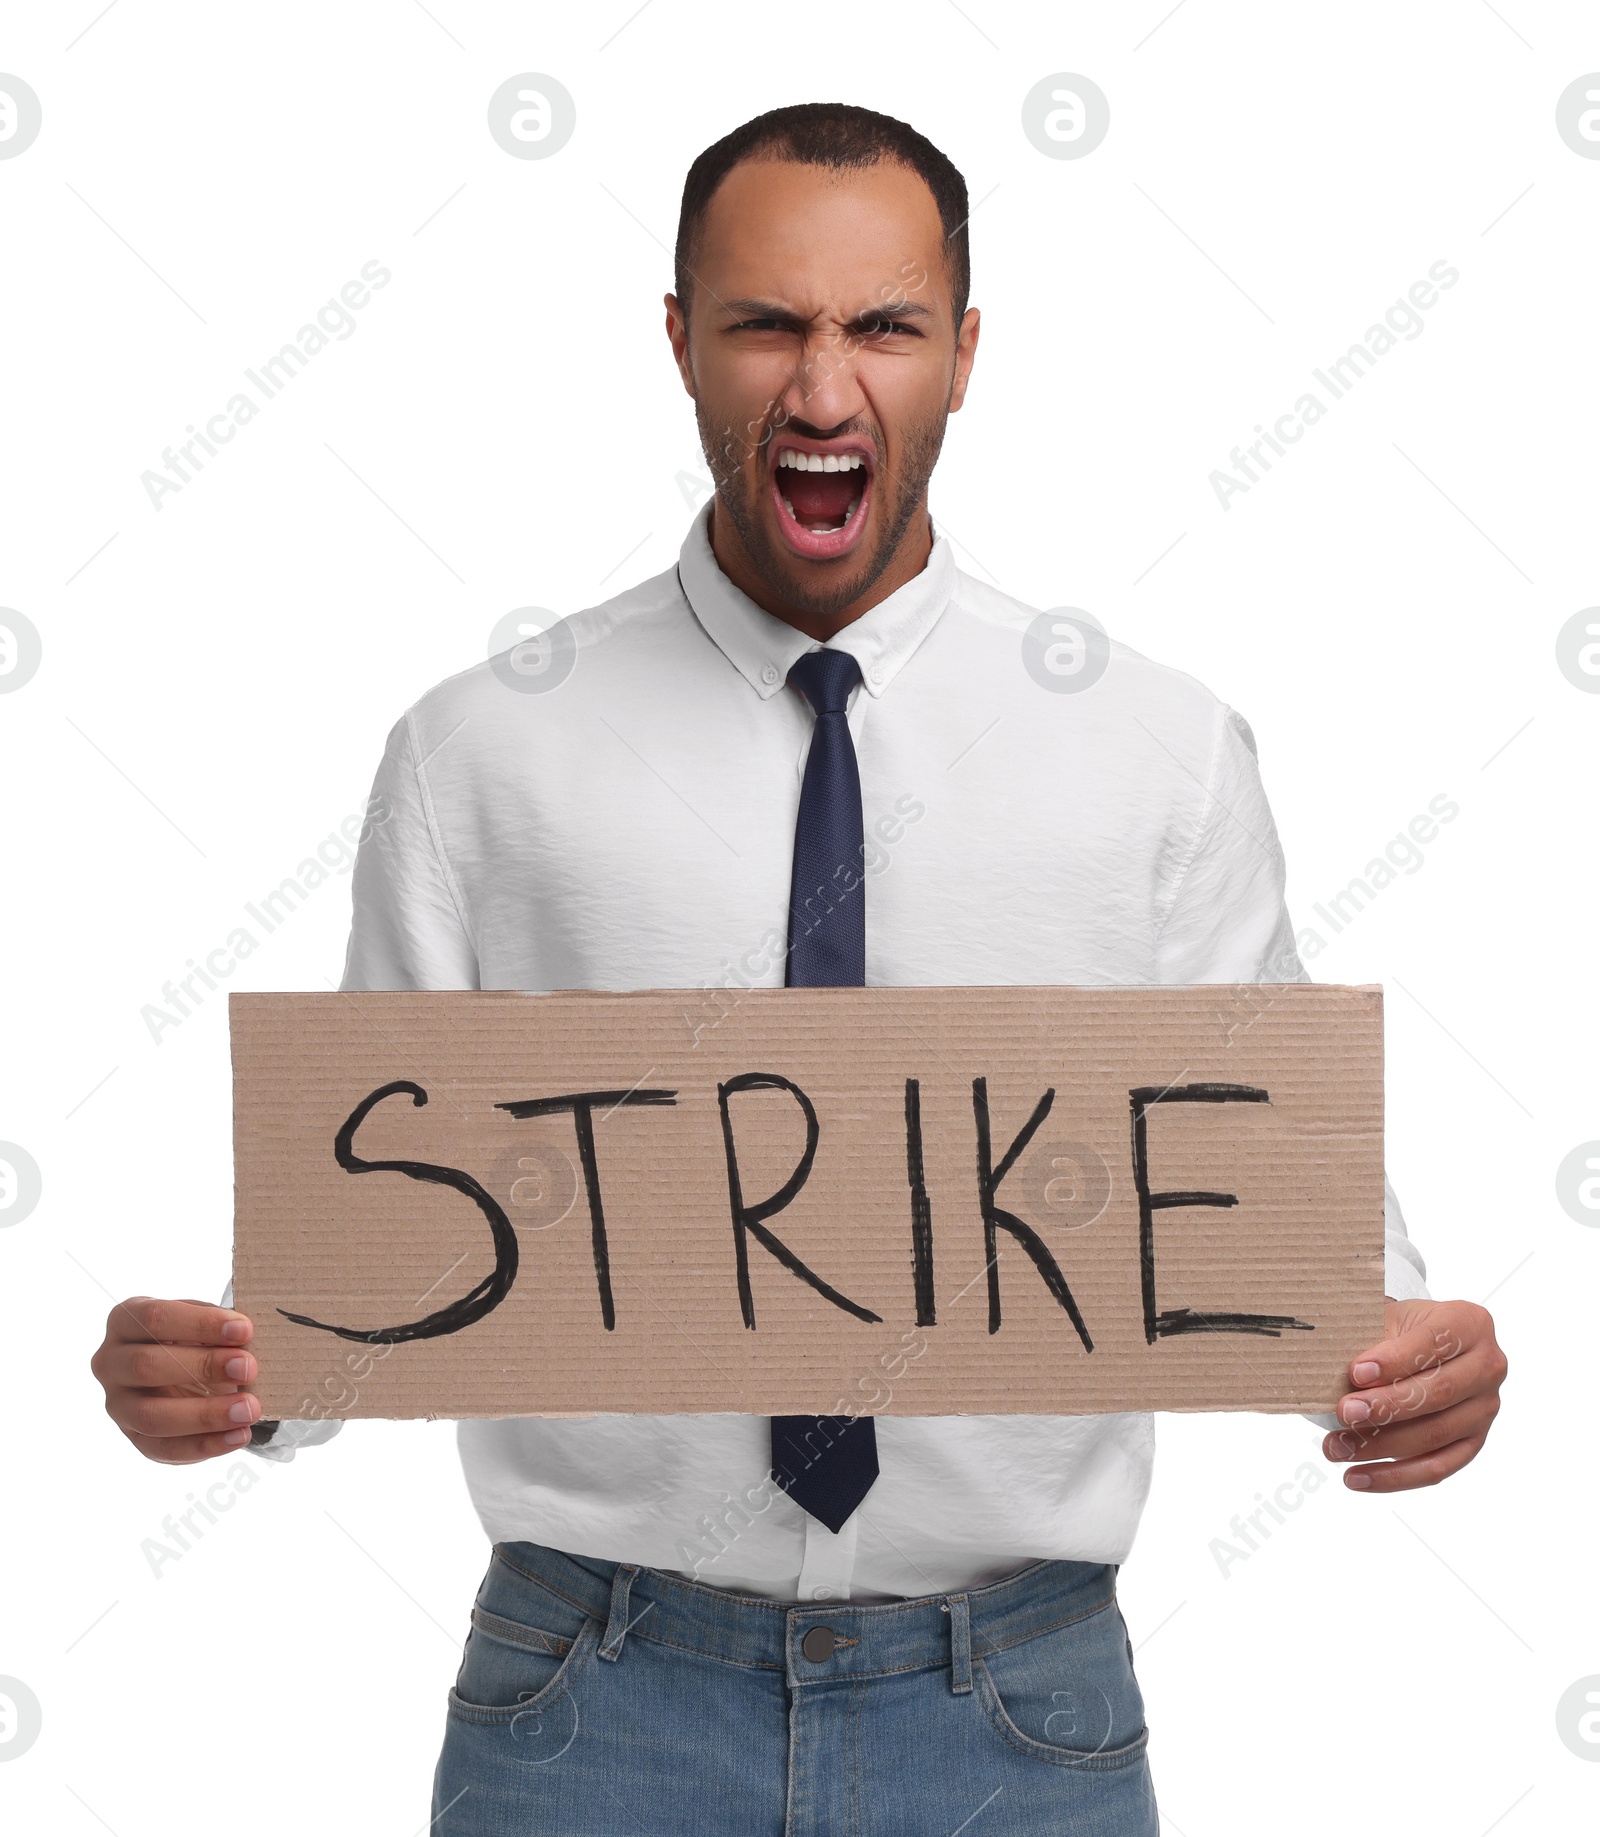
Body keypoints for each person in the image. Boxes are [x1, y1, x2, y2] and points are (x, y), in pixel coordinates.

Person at [90, 104, 1507, 1834]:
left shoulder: (1157, 753)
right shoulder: (482, 755)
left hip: (1018, 1708)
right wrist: (230, 1383)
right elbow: (371, 1248)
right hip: (590, 1701)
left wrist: (1411, 1355)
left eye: (886, 328)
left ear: (966, 357)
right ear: (680, 339)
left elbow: (1289, 1235)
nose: (824, 390)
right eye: (768, 322)